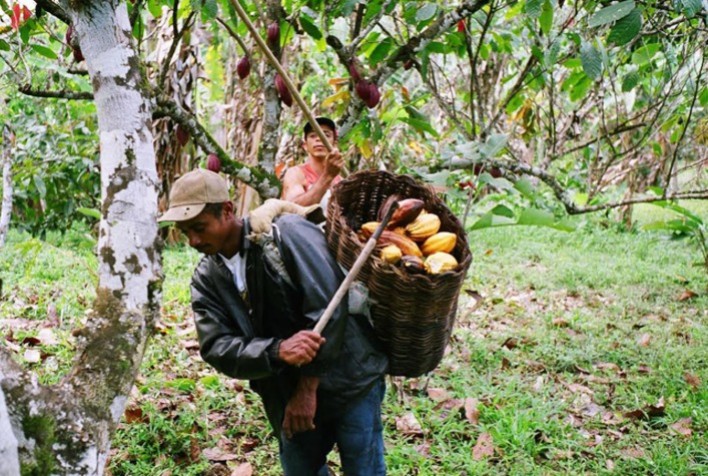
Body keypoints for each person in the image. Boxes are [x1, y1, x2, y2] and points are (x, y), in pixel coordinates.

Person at [159, 169, 388, 475]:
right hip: (283, 393)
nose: (194, 240)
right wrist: (276, 351)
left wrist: (307, 389)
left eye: (199, 227)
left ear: (227, 210)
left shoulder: (286, 233)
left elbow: (329, 307)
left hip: (350, 377)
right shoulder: (207, 278)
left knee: (364, 468)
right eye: (185, 232)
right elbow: (216, 345)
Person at [281, 117, 344, 209]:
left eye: (326, 135)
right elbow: (293, 209)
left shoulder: (341, 182)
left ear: (334, 144)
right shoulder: (295, 174)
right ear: (305, 146)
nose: (319, 139)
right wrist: (327, 176)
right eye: (313, 136)